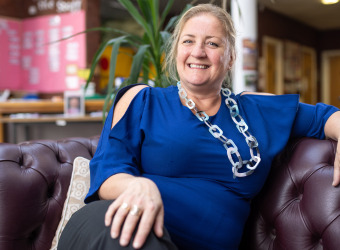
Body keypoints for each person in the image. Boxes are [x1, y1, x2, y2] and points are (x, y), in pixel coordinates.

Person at [58, 4, 340, 250]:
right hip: (116, 227)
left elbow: (325, 117)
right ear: (176, 51)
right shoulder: (143, 100)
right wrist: (136, 186)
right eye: (188, 41)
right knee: (132, 236)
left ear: (229, 58)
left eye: (212, 44)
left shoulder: (256, 110)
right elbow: (107, 173)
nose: (198, 52)